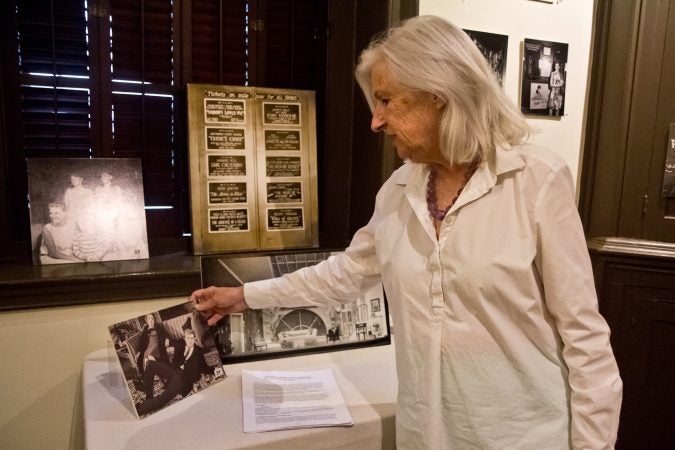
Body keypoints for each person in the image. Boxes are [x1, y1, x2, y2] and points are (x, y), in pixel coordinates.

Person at [191, 16, 622, 449]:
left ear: (439, 96)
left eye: (386, 100)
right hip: (426, 434)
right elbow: (346, 274)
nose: (375, 122)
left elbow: (583, 334)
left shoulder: (535, 180)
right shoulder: (399, 191)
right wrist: (244, 296)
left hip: (523, 437)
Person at [136, 328, 211, 416]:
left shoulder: (198, 351)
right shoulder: (181, 345)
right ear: (185, 338)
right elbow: (170, 354)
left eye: (192, 338)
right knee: (151, 364)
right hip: (173, 372)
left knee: (163, 398)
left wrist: (213, 369)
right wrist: (156, 358)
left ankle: (140, 408)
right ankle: (149, 396)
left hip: (181, 379)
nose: (190, 340)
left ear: (195, 338)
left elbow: (204, 367)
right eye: (188, 338)